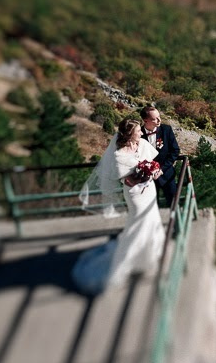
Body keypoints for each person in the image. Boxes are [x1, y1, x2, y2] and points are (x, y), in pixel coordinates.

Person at [73, 118, 164, 295]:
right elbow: (126, 180)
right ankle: (125, 263)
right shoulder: (119, 155)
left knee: (152, 219)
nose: (141, 132)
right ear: (129, 134)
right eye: (138, 130)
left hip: (150, 190)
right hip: (135, 194)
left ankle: (148, 257)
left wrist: (155, 171)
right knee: (139, 222)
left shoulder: (144, 144)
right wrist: (142, 174)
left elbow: (155, 164)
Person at [139, 105, 181, 206]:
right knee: (151, 206)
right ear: (146, 120)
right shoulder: (138, 134)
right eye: (155, 119)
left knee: (173, 203)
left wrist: (161, 170)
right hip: (147, 179)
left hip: (167, 174)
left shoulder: (166, 130)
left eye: (159, 117)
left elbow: (175, 151)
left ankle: (175, 221)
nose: (159, 120)